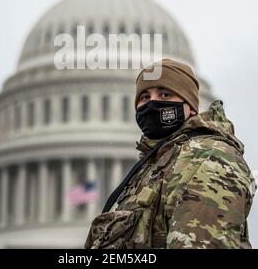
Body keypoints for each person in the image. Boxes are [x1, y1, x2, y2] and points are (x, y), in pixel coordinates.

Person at [84, 58, 256, 249]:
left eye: (165, 95)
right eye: (144, 97)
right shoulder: (155, 165)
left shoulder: (209, 158)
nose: (152, 104)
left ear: (190, 107)